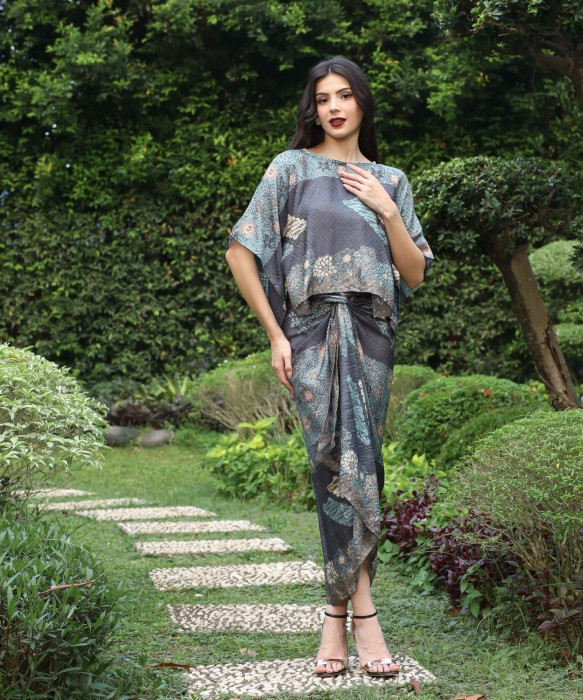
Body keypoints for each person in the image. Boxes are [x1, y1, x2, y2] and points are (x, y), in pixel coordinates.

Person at [224, 55, 434, 679]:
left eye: (344, 95)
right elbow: (240, 252)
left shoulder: (391, 180)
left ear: (362, 102)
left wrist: (387, 210)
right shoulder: (289, 168)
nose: (334, 107)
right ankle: (364, 617)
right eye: (323, 99)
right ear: (312, 110)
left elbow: (415, 273)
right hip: (312, 333)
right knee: (331, 467)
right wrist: (276, 334)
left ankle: (333, 619)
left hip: (372, 336)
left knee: (364, 466)